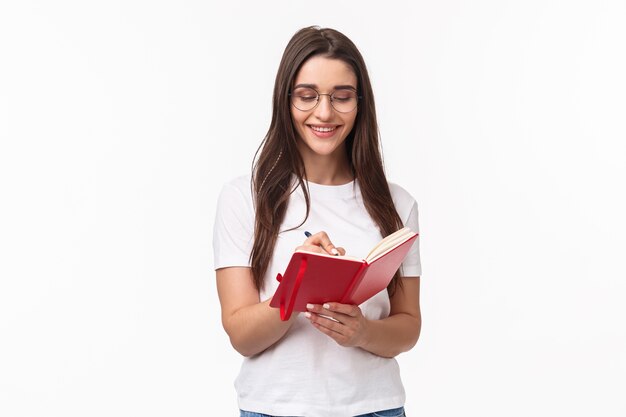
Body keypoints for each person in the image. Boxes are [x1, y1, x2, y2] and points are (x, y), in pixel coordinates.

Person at [213, 26, 422, 417]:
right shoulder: (245, 198)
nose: (324, 113)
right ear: (285, 100)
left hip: (375, 408)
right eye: (307, 96)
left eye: (341, 97)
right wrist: (296, 286)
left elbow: (408, 327)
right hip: (274, 407)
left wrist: (364, 333)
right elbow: (241, 335)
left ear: (360, 103)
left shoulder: (397, 204)